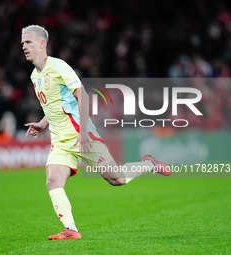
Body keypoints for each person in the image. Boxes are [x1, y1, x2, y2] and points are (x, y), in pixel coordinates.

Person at [21, 25, 171, 240]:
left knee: (116, 179)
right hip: (61, 141)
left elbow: (83, 96)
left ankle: (149, 164)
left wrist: (82, 132)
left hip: (82, 135)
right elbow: (56, 104)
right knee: (53, 180)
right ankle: (71, 229)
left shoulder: (59, 67)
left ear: (42, 43)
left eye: (28, 42)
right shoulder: (35, 76)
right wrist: (43, 124)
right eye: (23, 43)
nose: (24, 46)